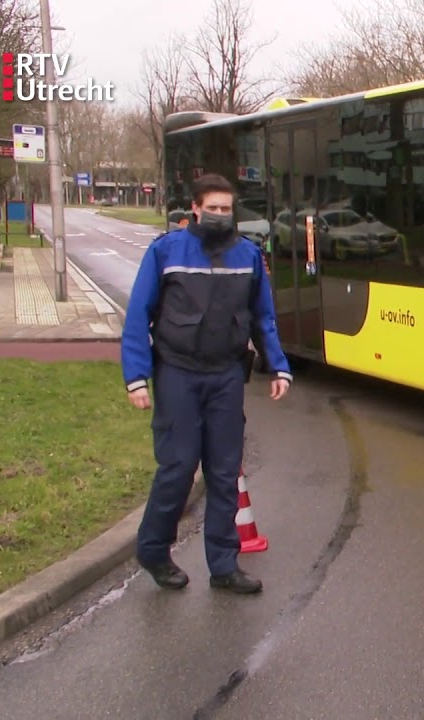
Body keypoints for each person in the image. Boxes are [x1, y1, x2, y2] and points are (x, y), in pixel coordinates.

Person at [121, 173, 293, 595]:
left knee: (224, 471)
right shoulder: (166, 251)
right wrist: (136, 377)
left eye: (226, 209)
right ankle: (153, 551)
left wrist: (278, 366)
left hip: (226, 375)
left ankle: (224, 565)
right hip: (177, 372)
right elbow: (138, 315)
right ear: (195, 209)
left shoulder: (247, 255)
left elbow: (263, 316)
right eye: (212, 208)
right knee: (178, 467)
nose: (219, 215)